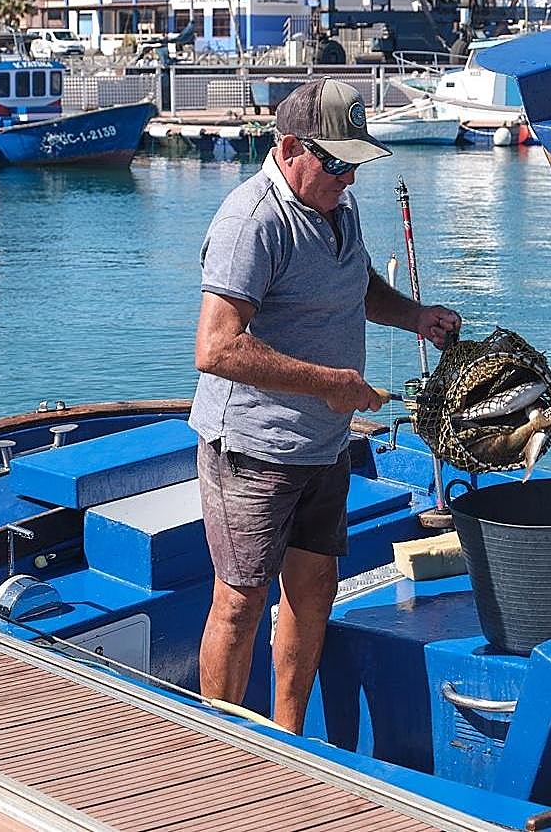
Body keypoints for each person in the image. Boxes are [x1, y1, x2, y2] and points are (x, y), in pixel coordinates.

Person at [190, 78, 461, 734]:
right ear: (290, 149)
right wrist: (327, 383)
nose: (349, 178)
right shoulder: (251, 222)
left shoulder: (338, 208)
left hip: (324, 446)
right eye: (338, 163)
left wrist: (414, 316)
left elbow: (356, 281)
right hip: (251, 452)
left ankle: (286, 736)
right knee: (240, 601)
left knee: (314, 591)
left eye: (355, 164)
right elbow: (216, 347)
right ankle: (217, 742)